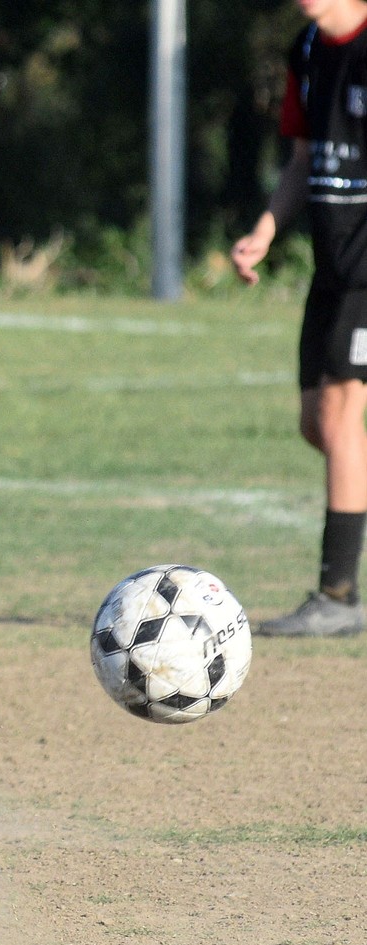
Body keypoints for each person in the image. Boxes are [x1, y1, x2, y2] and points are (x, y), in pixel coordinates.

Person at [232, 0, 367, 637]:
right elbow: (303, 159)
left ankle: (338, 596)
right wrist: (265, 230)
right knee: (318, 426)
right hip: (330, 268)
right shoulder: (308, 50)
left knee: (340, 421)